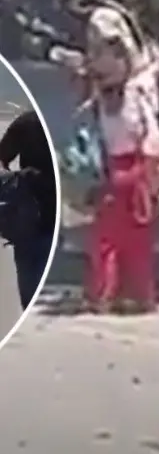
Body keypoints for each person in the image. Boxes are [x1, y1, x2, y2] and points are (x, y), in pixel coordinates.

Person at [82, 6, 159, 314]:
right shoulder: (138, 90)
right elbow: (156, 63)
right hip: (139, 169)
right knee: (138, 241)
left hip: (118, 170)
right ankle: (141, 297)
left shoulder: (103, 96)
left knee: (107, 240)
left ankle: (104, 296)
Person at [0, 109, 58, 310]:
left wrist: (12, 182)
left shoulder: (27, 121)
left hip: (27, 213)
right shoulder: (36, 122)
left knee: (29, 282)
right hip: (36, 213)